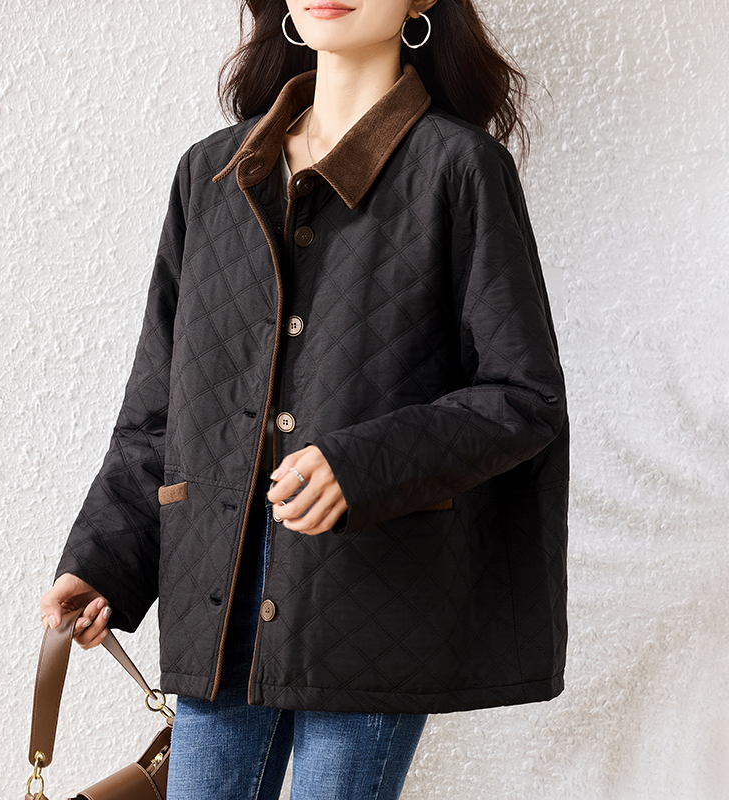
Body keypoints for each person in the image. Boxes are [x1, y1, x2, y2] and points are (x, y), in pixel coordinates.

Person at [40, 1, 569, 798]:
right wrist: (104, 561)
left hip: (373, 603)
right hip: (216, 598)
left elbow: (523, 397)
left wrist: (360, 466)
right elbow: (160, 412)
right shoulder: (212, 175)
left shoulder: (458, 169)